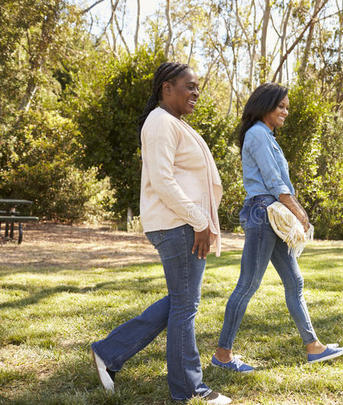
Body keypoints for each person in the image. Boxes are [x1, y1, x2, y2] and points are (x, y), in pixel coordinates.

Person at [90, 62, 231, 404]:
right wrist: (199, 220)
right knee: (185, 306)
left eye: (198, 87)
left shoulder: (173, 122)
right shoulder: (160, 122)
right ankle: (189, 388)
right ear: (167, 87)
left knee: (180, 301)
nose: (196, 93)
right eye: (189, 86)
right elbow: (163, 181)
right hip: (177, 226)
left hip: (183, 224)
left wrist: (202, 221)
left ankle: (109, 352)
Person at [211, 83, 343, 373]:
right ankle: (223, 355)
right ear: (265, 106)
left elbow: (278, 182)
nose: (286, 111)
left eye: (287, 106)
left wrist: (296, 211)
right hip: (264, 214)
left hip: (271, 215)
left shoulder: (266, 136)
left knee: (294, 282)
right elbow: (274, 182)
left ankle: (314, 347)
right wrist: (300, 213)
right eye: (281, 106)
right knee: (247, 285)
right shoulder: (258, 134)